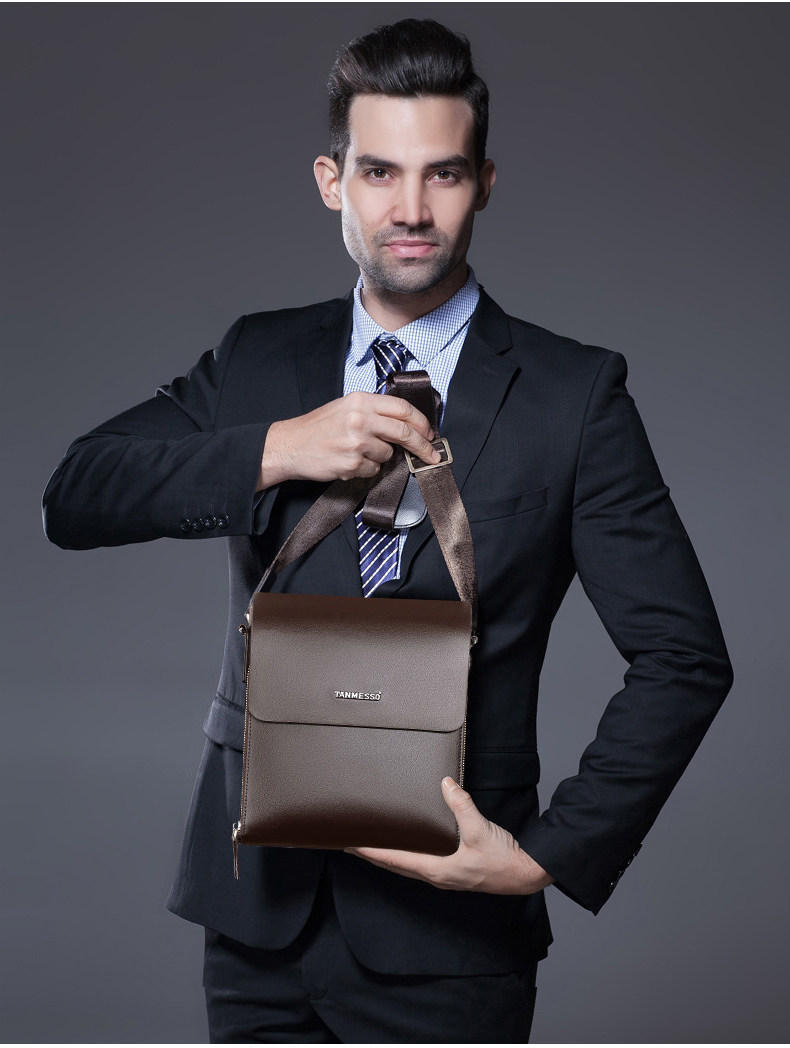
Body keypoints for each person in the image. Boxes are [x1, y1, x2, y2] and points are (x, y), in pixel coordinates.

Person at [42, 17, 733, 1044]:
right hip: (257, 918)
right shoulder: (257, 359)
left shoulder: (573, 396)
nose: (410, 208)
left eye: (441, 174)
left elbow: (684, 656)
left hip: (453, 937)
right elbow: (76, 495)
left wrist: (547, 855)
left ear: (483, 184)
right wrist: (278, 447)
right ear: (332, 181)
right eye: (379, 172)